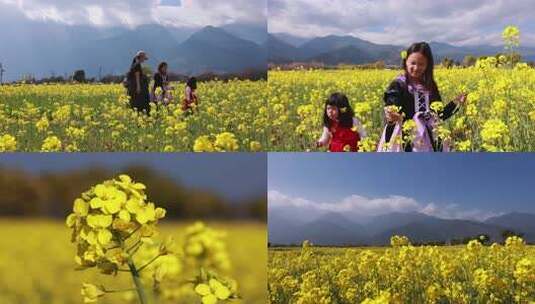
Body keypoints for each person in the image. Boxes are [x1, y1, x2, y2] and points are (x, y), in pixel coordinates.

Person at [378, 42, 467, 152]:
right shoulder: (398, 84)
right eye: (413, 63)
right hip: (403, 139)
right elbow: (392, 103)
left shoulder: (430, 86)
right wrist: (392, 113)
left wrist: (456, 103)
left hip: (430, 138)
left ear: (427, 65)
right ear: (406, 62)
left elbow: (439, 115)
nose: (416, 68)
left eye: (421, 64)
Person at [127, 50, 151, 115]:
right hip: (137, 87)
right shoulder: (137, 65)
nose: (144, 60)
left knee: (137, 103)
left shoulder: (134, 64)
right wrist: (138, 87)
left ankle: (139, 115)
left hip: (135, 87)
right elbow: (137, 76)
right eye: (144, 58)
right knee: (140, 102)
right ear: (141, 57)